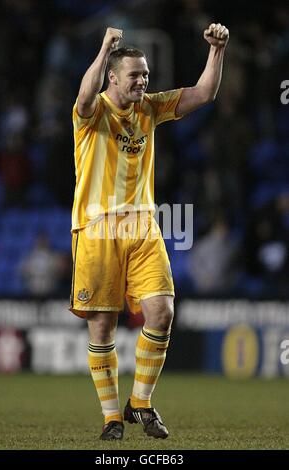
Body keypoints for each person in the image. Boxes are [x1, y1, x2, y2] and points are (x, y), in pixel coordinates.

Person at [70, 24, 229, 440]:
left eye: (145, 74)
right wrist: (105, 46)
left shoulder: (150, 108)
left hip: (143, 226)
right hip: (96, 229)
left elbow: (203, 93)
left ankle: (140, 402)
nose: (143, 80)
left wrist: (217, 51)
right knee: (102, 327)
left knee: (161, 312)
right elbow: (84, 95)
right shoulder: (92, 113)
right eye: (135, 74)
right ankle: (110, 418)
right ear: (114, 77)